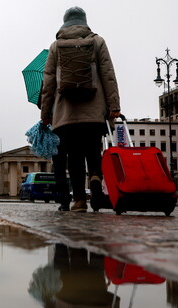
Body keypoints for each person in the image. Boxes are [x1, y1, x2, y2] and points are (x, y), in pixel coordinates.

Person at [41, 6, 120, 212]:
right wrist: (114, 106)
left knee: (74, 157)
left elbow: (48, 81)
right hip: (94, 112)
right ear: (84, 21)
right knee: (94, 151)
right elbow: (108, 75)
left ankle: (79, 200)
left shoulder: (55, 47)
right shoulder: (97, 42)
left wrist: (46, 113)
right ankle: (95, 176)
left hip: (66, 114)